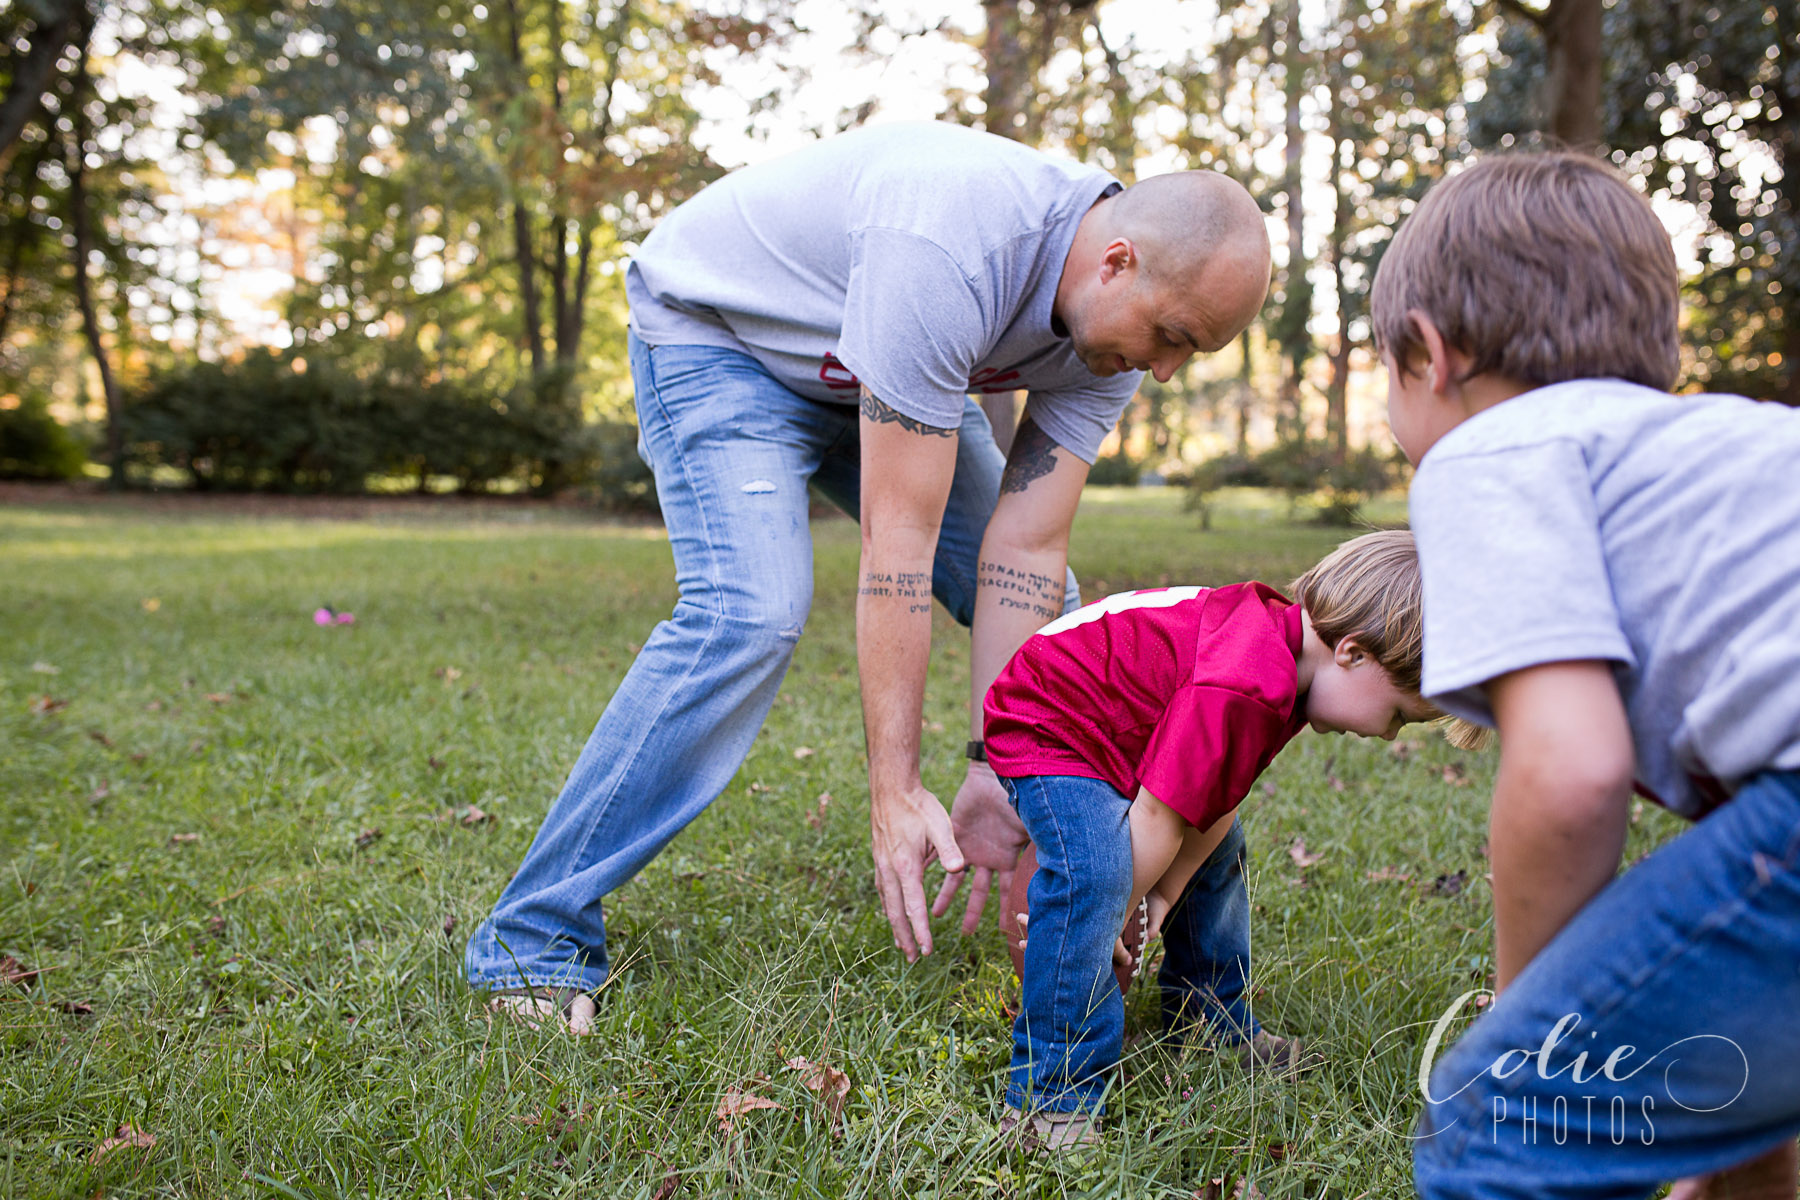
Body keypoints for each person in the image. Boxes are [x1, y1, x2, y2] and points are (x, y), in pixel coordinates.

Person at [462, 121, 1273, 1031]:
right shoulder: (951, 241)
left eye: (1187, 353)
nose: (1164, 372)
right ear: (1116, 262)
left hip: (870, 376)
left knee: (1075, 637)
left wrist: (997, 763)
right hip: (721, 339)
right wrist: (894, 790)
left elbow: (1028, 552)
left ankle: (1198, 989)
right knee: (750, 612)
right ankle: (530, 938)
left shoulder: (1113, 333)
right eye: (1169, 337)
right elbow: (899, 543)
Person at [1373, 152, 1800, 1200]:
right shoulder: (1725, 446)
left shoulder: (1491, 448)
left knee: (1498, 1122)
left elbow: (1570, 770)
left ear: (1431, 354)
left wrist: (1532, 1022)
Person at [983, 530, 1483, 1146]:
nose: (1388, 736)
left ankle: (1211, 1022)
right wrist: (1117, 912)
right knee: (1096, 875)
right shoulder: (1249, 678)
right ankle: (1050, 1100)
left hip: (1120, 731)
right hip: (1055, 724)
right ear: (1353, 653)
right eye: (1400, 715)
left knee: (1221, 852)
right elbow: (1159, 821)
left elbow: (1213, 799)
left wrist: (1160, 899)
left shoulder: (1286, 669)